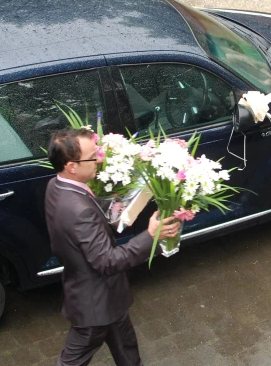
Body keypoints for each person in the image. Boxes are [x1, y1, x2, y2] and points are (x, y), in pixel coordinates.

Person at [44, 127, 178, 366]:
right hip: (94, 306)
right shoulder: (79, 210)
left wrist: (114, 206)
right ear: (71, 166)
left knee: (127, 351)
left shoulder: (56, 186)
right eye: (92, 156)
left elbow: (81, 223)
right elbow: (107, 261)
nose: (99, 159)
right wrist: (151, 236)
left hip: (107, 298)